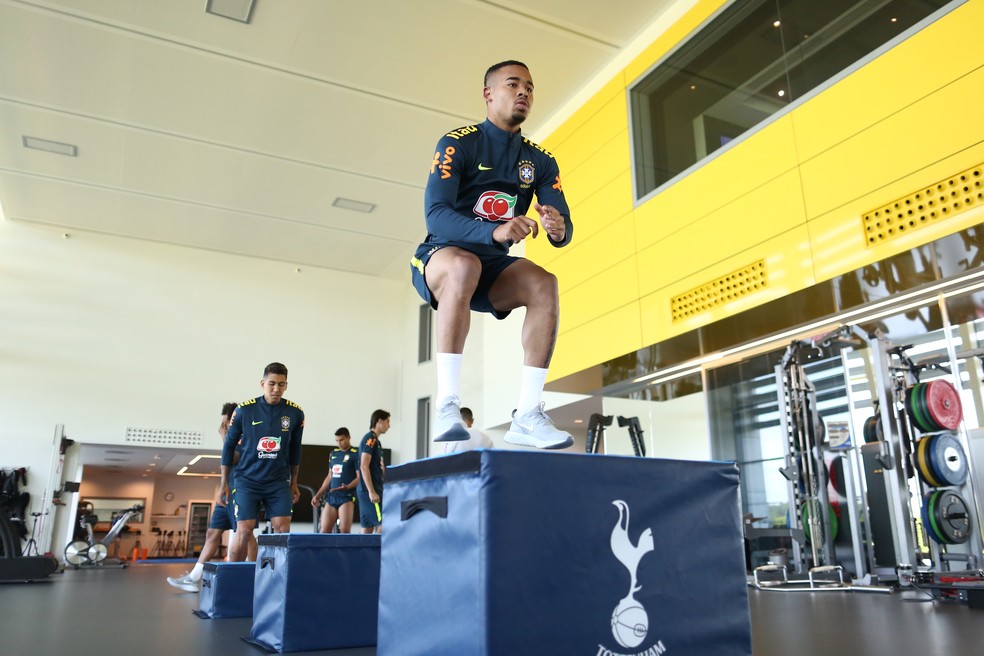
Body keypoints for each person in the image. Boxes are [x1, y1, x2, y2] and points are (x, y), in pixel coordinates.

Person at [410, 60, 574, 450]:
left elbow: (561, 219)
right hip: (441, 256)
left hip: (492, 267)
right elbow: (436, 215)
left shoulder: (540, 160)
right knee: (464, 265)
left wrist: (558, 228)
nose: (524, 93)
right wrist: (494, 230)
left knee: (544, 284)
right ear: (488, 94)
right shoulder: (457, 143)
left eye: (530, 88)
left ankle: (528, 414)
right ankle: (448, 405)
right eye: (513, 84)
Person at [167, 402, 257, 593]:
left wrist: (226, 439)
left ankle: (253, 577)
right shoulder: (231, 437)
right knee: (212, 533)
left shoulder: (248, 437)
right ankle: (194, 577)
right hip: (226, 492)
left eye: (226, 422)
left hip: (242, 493)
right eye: (223, 422)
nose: (223, 426)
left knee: (245, 534)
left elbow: (236, 458)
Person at [220, 362, 304, 561]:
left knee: (282, 528)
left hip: (278, 482)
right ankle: (235, 580)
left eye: (281, 385)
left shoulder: (295, 413)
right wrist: (223, 482)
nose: (276, 389)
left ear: (286, 385)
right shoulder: (243, 411)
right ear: (262, 383)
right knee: (244, 530)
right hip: (248, 481)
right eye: (272, 384)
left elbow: (295, 449)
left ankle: (277, 580)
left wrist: (294, 482)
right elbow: (228, 446)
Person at [311, 427, 360, 534]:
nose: (339, 443)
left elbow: (359, 477)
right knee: (324, 530)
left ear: (348, 438)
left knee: (344, 530)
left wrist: (348, 486)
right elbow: (329, 476)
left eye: (342, 440)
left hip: (346, 497)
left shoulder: (356, 454)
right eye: (337, 441)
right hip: (331, 497)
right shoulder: (333, 453)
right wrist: (318, 494)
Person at [357, 410, 389, 534]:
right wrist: (372, 492)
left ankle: (363, 554)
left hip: (371, 489)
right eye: (387, 421)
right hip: (370, 491)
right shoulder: (370, 439)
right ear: (379, 421)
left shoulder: (377, 441)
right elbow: (364, 466)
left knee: (367, 527)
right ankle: (380, 553)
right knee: (383, 524)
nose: (389, 425)